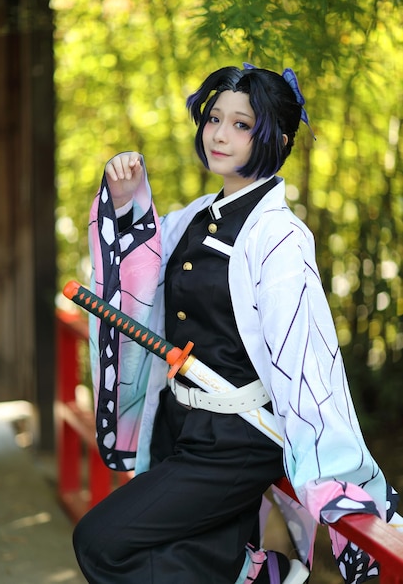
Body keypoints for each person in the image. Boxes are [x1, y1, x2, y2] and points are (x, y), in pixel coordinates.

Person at [73, 64, 401, 584]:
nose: (220, 134)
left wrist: (327, 456)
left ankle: (248, 571)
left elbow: (303, 352)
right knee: (163, 548)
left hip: (237, 438)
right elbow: (139, 267)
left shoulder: (280, 236)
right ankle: (251, 571)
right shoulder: (196, 216)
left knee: (101, 543)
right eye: (214, 119)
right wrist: (126, 200)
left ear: (277, 137)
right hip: (178, 421)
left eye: (242, 125)